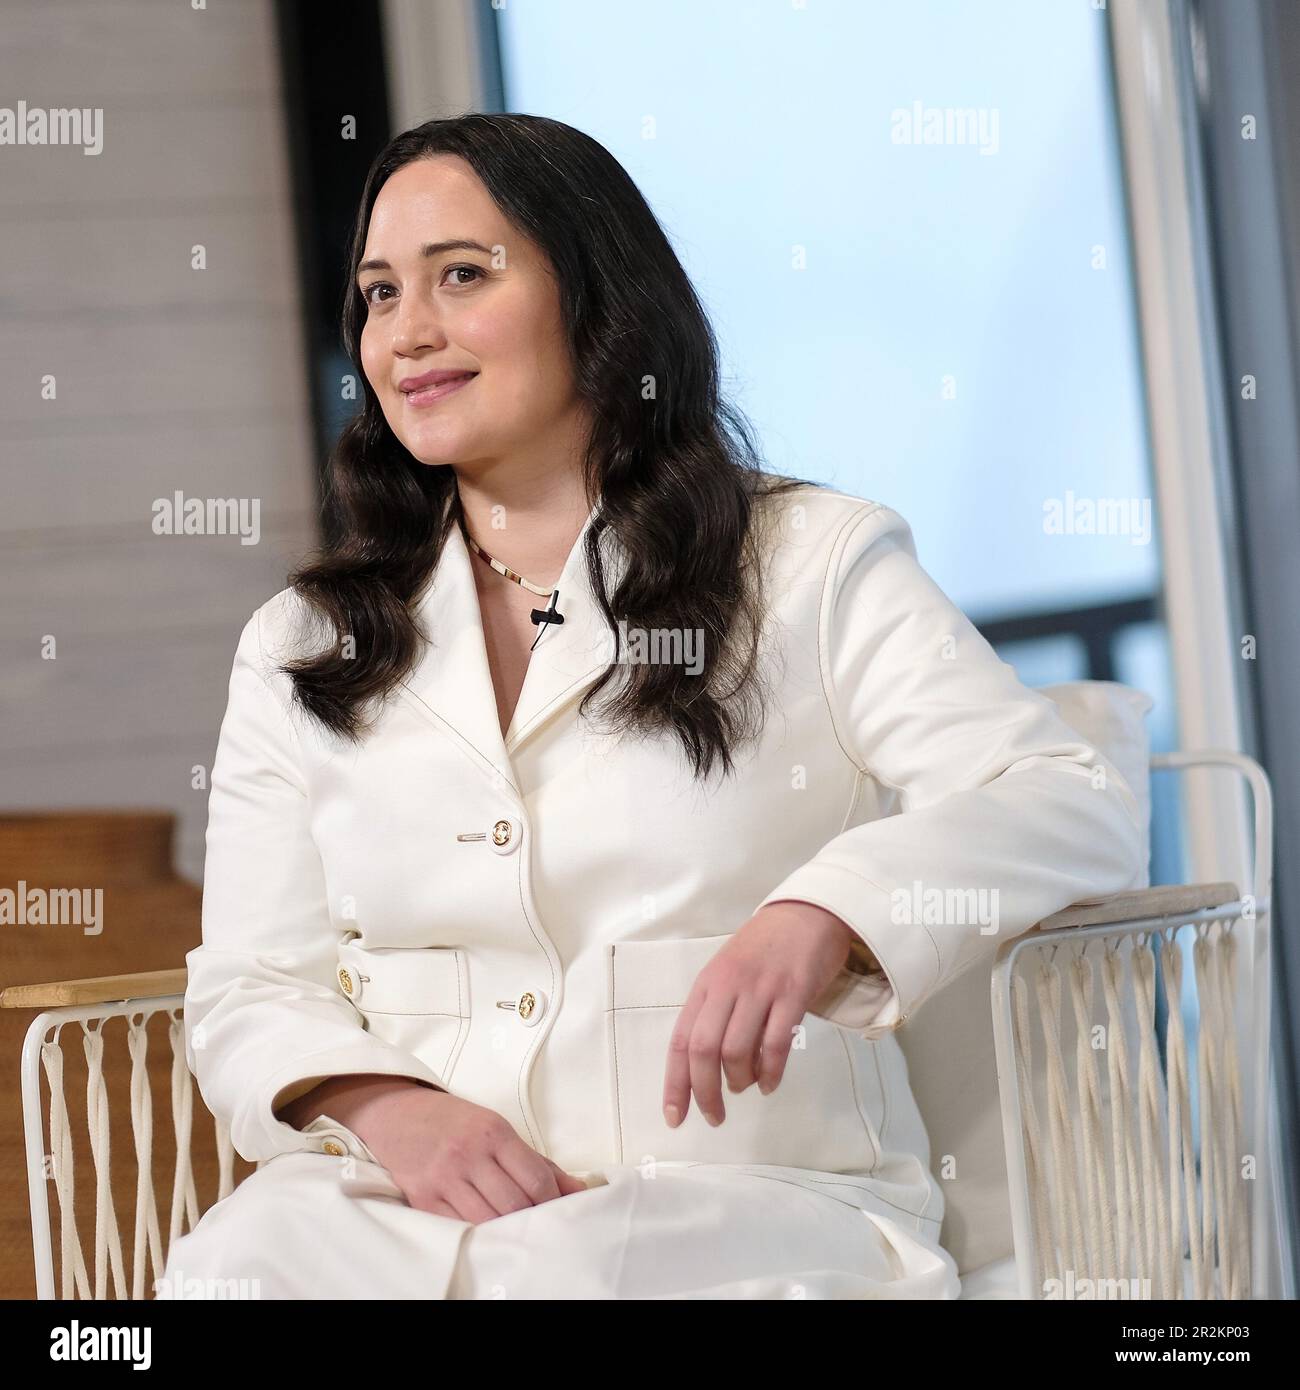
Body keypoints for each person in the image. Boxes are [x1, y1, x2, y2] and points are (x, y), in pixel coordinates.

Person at [157, 113, 1144, 1300]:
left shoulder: (807, 561)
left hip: (747, 1204)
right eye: (377, 294)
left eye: (461, 275)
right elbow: (250, 980)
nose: (406, 332)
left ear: (596, 296)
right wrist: (389, 1106)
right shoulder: (304, 643)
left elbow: (1067, 795)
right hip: (398, 1211)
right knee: (236, 1268)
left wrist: (825, 911)